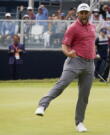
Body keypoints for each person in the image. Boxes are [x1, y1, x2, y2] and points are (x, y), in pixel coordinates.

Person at [35, 3, 96, 132]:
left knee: (84, 96)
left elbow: (90, 43)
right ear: (78, 14)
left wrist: (93, 54)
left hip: (89, 64)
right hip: (75, 61)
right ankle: (42, 105)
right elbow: (64, 45)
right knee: (62, 85)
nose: (84, 15)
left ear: (89, 13)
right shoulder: (73, 27)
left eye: (86, 13)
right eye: (82, 13)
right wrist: (68, 53)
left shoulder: (92, 27)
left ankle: (79, 122)